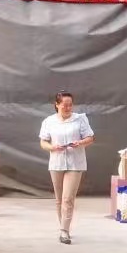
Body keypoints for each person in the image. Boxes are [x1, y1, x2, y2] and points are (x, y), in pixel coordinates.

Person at [39, 90, 95, 244]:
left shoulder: (80, 119)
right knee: (59, 199)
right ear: (57, 105)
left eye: (70, 105)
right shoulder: (48, 121)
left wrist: (80, 143)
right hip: (56, 162)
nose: (68, 107)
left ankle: (64, 231)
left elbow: (90, 138)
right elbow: (43, 142)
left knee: (67, 198)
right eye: (64, 105)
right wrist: (52, 147)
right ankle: (63, 225)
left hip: (75, 162)